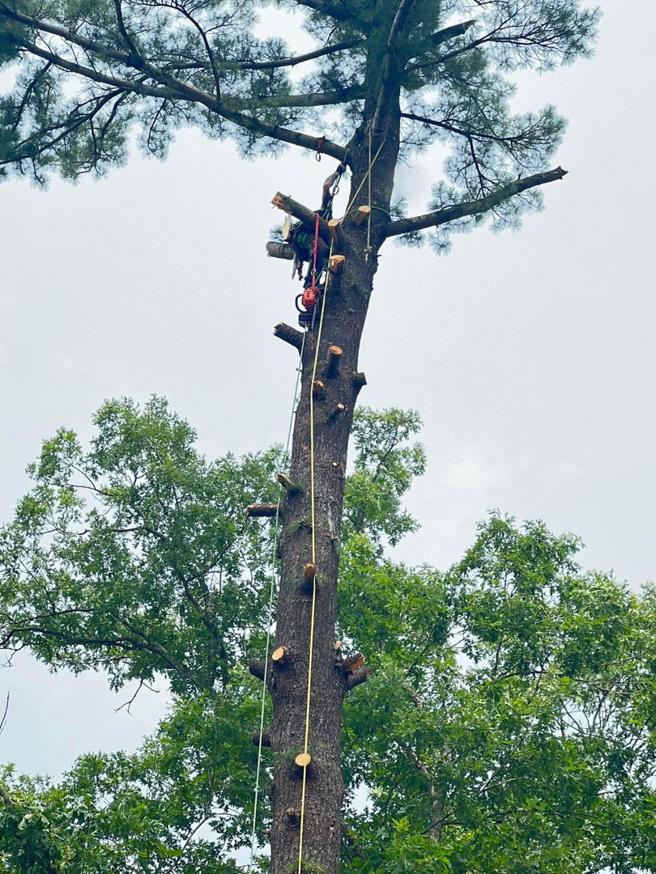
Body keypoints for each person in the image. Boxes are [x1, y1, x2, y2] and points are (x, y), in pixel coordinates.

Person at [289, 162, 346, 290]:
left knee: (323, 251)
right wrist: (337, 172)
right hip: (303, 238)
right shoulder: (323, 211)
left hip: (307, 247)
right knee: (320, 249)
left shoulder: (330, 228)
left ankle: (317, 285)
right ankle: (309, 283)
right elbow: (326, 185)